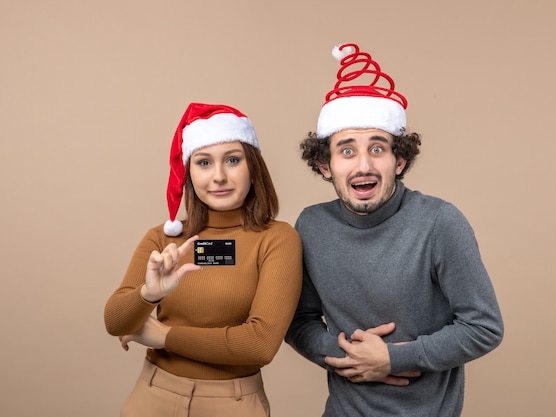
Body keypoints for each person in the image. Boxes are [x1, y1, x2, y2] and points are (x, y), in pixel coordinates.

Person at [285, 43, 504, 416]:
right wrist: (347, 355)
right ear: (325, 165)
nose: (363, 165)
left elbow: (483, 326)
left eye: (378, 148)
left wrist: (395, 358)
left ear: (399, 159)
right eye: (347, 150)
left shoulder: (439, 222)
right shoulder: (311, 225)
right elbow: (298, 321)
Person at [104, 102, 302, 417]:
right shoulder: (164, 237)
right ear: (189, 172)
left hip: (233, 404)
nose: (219, 176)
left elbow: (260, 344)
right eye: (204, 162)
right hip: (151, 397)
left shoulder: (277, 239)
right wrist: (149, 294)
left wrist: (162, 336)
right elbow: (115, 321)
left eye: (233, 160)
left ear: (253, 167)